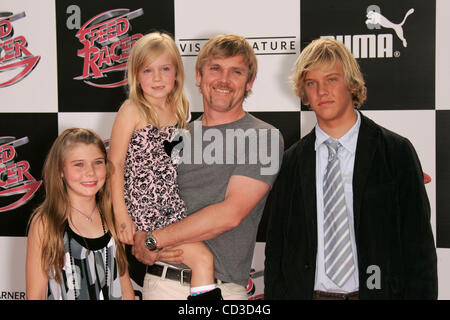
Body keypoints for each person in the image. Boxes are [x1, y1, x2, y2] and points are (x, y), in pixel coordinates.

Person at [264, 38, 438, 299]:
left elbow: (419, 248)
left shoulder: (396, 152)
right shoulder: (291, 162)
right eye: (312, 83)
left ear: (351, 83)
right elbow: (276, 252)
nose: (322, 91)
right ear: (304, 92)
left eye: (331, 79)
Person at [131, 33, 284, 300]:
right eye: (215, 69)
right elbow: (148, 197)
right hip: (161, 282)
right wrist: (140, 236)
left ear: (249, 82)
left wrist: (155, 239)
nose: (224, 80)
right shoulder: (176, 136)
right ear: (199, 76)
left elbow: (229, 215)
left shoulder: (264, 137)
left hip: (221, 289)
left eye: (236, 71)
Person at [109, 31, 221, 299]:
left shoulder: (181, 107)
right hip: (145, 211)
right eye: (148, 70)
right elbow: (115, 163)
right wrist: (122, 217)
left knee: (197, 256)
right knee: (203, 259)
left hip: (173, 206)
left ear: (177, 73)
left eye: (164, 69)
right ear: (136, 75)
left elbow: (176, 162)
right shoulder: (132, 109)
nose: (157, 78)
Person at [26, 128, 134, 300]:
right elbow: (35, 294)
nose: (90, 172)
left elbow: (125, 286)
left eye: (98, 162)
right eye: (79, 164)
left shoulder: (111, 218)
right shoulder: (46, 222)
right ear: (60, 170)